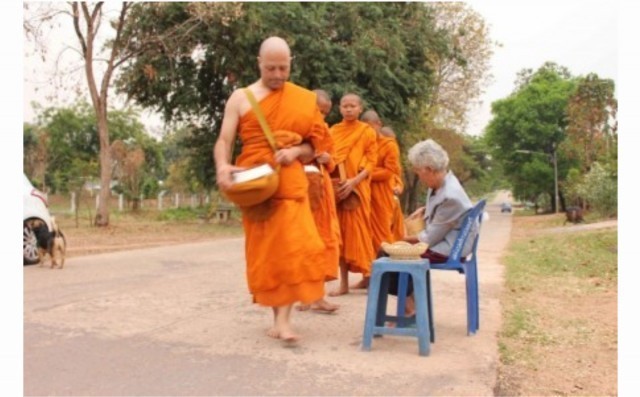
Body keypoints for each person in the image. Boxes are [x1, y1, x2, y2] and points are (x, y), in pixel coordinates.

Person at [213, 36, 328, 343]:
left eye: (283, 68)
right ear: (259, 64)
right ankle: (277, 318)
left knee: (294, 248)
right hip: (257, 184)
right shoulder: (240, 98)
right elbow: (224, 140)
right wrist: (222, 165)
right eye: (271, 68)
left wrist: (296, 152)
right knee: (268, 254)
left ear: (291, 64)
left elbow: (317, 144)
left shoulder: (302, 99)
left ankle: (284, 321)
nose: (277, 75)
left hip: (289, 181)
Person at [393, 138, 479, 314]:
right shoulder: (445, 182)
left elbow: (429, 238)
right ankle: (411, 303)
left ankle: (410, 307)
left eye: (418, 171)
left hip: (452, 248)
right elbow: (442, 213)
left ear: (429, 170)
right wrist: (425, 210)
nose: (418, 176)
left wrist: (400, 240)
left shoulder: (451, 196)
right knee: (392, 252)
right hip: (449, 240)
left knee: (392, 255)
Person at [328, 93, 377, 296]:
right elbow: (330, 158)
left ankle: (370, 277)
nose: (348, 109)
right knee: (340, 237)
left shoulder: (367, 132)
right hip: (339, 190)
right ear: (339, 108)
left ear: (360, 108)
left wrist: (354, 182)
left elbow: (371, 162)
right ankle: (344, 284)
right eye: (345, 106)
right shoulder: (333, 131)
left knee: (359, 235)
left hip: (357, 190)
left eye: (352, 106)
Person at [297, 89, 341, 313]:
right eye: (318, 110)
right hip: (300, 186)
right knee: (304, 243)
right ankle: (305, 295)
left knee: (324, 241)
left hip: (321, 188)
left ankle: (318, 296)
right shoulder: (297, 124)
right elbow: (296, 152)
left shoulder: (323, 129)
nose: (321, 116)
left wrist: (327, 159)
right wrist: (312, 154)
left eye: (325, 113)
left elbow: (332, 160)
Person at [350, 110, 401, 290]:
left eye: (371, 127)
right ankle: (368, 276)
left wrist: (367, 174)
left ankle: (386, 278)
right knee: (365, 236)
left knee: (381, 236)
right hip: (364, 194)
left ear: (378, 124)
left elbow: (389, 171)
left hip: (380, 195)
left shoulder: (389, 145)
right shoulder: (363, 142)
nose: (368, 131)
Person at [380, 126, 406, 241]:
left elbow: (397, 179)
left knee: (393, 228)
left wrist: (398, 188)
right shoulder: (375, 153)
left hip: (391, 199)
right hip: (377, 198)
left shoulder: (394, 161)